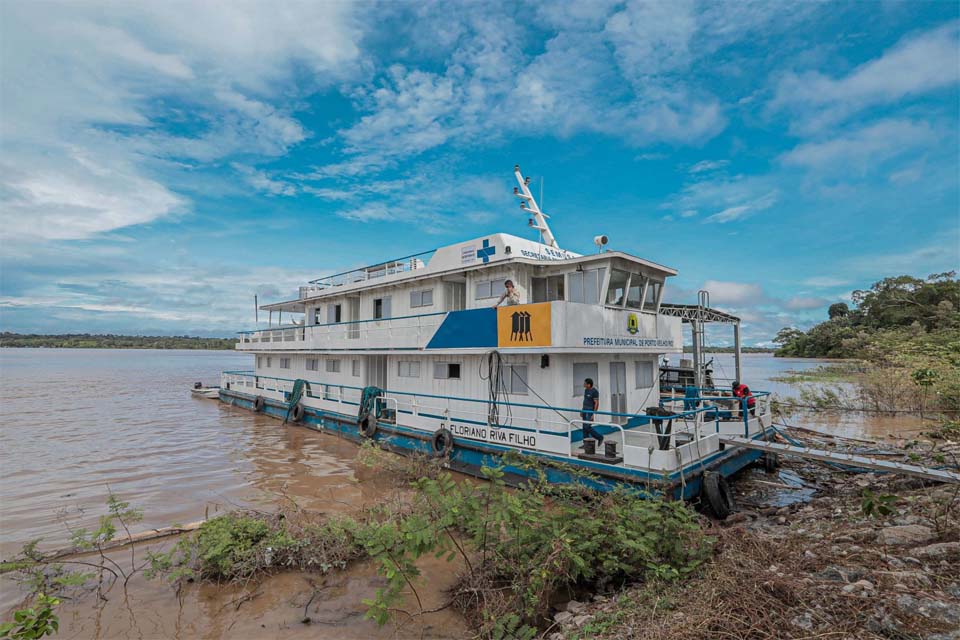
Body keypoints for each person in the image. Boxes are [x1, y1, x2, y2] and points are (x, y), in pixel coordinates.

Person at [580, 378, 603, 445]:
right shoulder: (586, 390)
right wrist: (582, 410)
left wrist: (593, 414)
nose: (583, 384)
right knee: (584, 427)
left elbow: (596, 403)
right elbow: (585, 401)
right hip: (584, 409)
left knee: (587, 426)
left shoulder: (594, 391)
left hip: (589, 411)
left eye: (585, 383)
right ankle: (586, 444)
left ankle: (599, 437)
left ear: (589, 385)